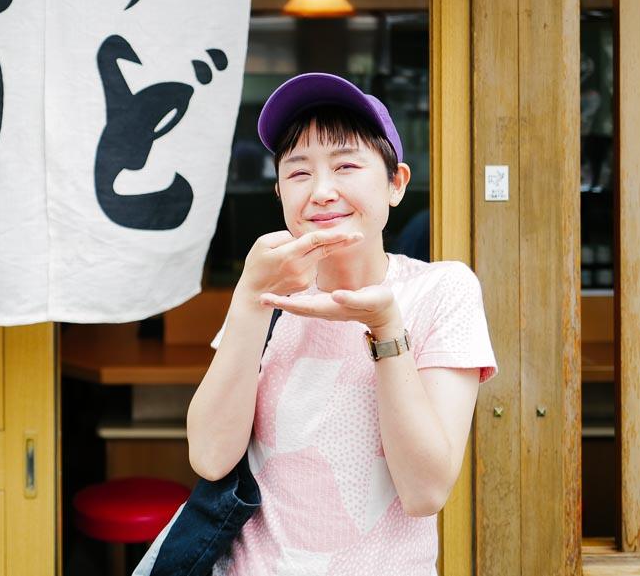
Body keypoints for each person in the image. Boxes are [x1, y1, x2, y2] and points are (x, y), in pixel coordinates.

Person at [134, 73, 498, 575]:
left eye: (347, 165)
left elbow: (425, 491)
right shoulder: (268, 291)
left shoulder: (441, 291)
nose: (322, 191)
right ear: (280, 189)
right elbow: (212, 457)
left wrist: (386, 327)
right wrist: (248, 297)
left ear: (396, 184)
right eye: (299, 172)